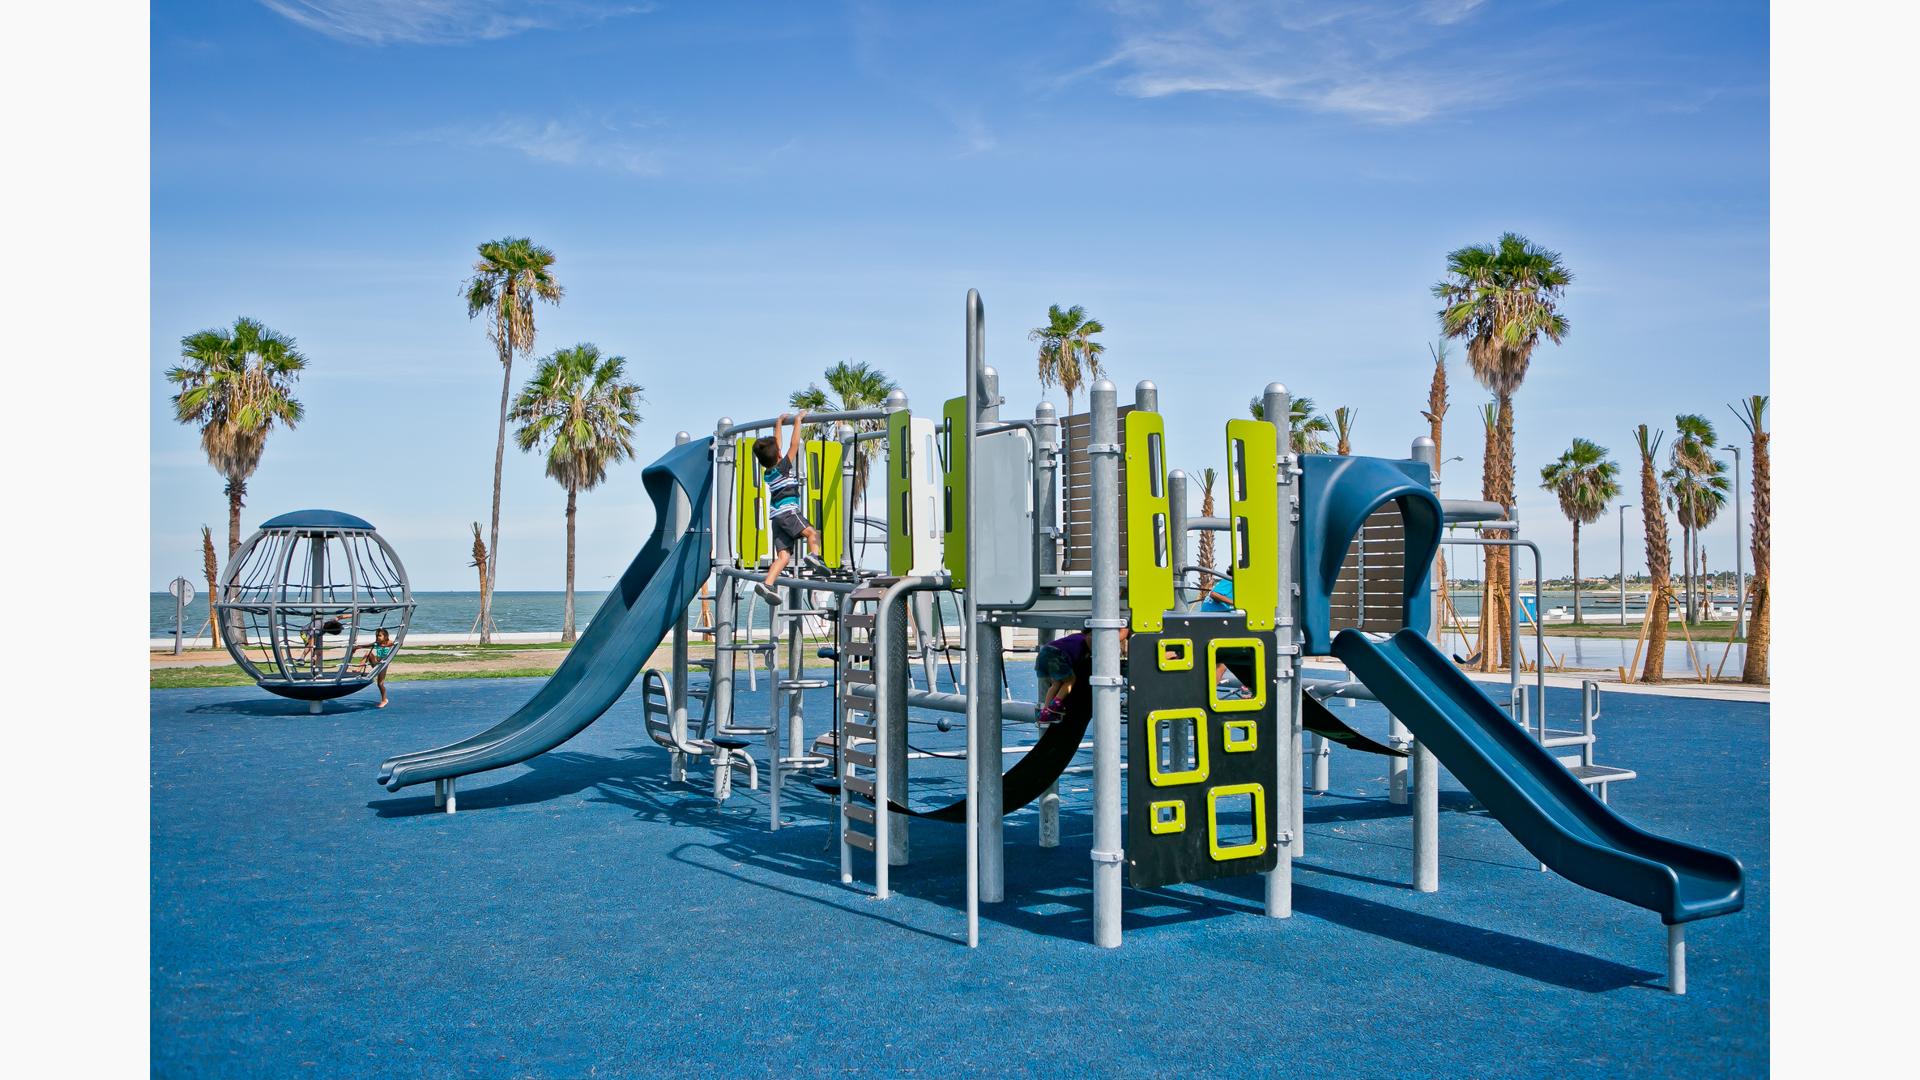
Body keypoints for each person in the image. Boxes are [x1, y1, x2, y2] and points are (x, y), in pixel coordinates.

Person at [752, 409, 823, 605]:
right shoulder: (783, 467)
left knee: (783, 556)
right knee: (812, 534)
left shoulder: (768, 473)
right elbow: (793, 445)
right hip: (789, 512)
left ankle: (767, 583)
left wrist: (778, 423)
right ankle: (814, 556)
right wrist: (798, 421)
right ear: (779, 456)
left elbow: (778, 445)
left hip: (776, 518)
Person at [1034, 626, 1130, 726]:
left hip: (1045, 653)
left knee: (1056, 684)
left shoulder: (1075, 637)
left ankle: (1045, 711)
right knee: (1070, 680)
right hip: (1057, 655)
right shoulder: (1087, 639)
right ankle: (1056, 703)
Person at [357, 627, 396, 708]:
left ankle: (384, 700)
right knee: (368, 653)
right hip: (376, 663)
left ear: (385, 636)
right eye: (377, 636)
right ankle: (358, 669)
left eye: (379, 636)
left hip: (383, 665)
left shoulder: (389, 643)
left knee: (380, 684)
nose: (378, 637)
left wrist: (394, 644)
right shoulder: (377, 643)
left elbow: (399, 644)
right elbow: (366, 646)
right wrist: (357, 647)